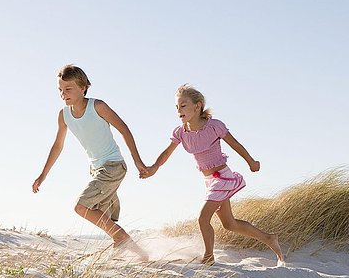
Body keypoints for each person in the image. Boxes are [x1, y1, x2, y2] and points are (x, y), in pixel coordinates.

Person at [140, 84, 284, 266]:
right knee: (229, 224)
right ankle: (269, 238)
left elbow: (235, 144)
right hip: (209, 181)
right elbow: (167, 153)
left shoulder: (214, 126)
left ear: (197, 105)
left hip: (222, 177)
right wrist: (154, 168)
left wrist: (251, 162)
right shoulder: (180, 132)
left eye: (183, 105)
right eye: (177, 107)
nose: (179, 110)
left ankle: (208, 257)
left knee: (203, 218)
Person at [33, 64, 146, 247]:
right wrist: (43, 175)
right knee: (100, 213)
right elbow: (58, 145)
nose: (63, 94)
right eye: (60, 90)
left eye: (68, 89)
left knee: (81, 206)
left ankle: (122, 238)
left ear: (82, 87)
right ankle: (141, 254)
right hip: (96, 169)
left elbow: (124, 129)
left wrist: (138, 161)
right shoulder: (63, 115)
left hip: (112, 166)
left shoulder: (98, 106)